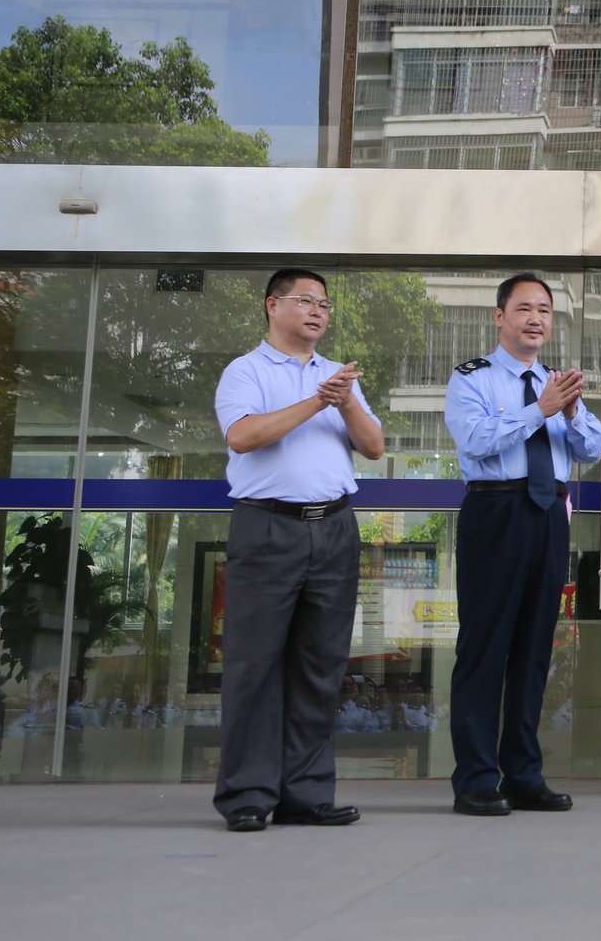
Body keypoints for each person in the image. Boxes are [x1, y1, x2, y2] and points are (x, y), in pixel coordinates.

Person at [212, 267, 383, 833]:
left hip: (334, 528)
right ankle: (247, 795)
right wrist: (316, 402)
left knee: (320, 665)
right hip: (267, 529)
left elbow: (374, 447)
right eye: (305, 301)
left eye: (325, 305)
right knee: (254, 666)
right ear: (272, 306)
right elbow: (243, 436)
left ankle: (307, 793)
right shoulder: (246, 370)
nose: (317, 312)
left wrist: (344, 400)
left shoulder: (339, 376)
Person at [445, 273, 601, 816]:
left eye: (544, 310)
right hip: (495, 509)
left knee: (536, 649)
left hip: (548, 514)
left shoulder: (559, 383)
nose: (535, 319)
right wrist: (539, 408)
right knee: (485, 646)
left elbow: (591, 447)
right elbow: (475, 440)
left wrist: (568, 409)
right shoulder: (472, 379)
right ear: (500, 316)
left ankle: (523, 774)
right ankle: (473, 778)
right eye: (523, 309)